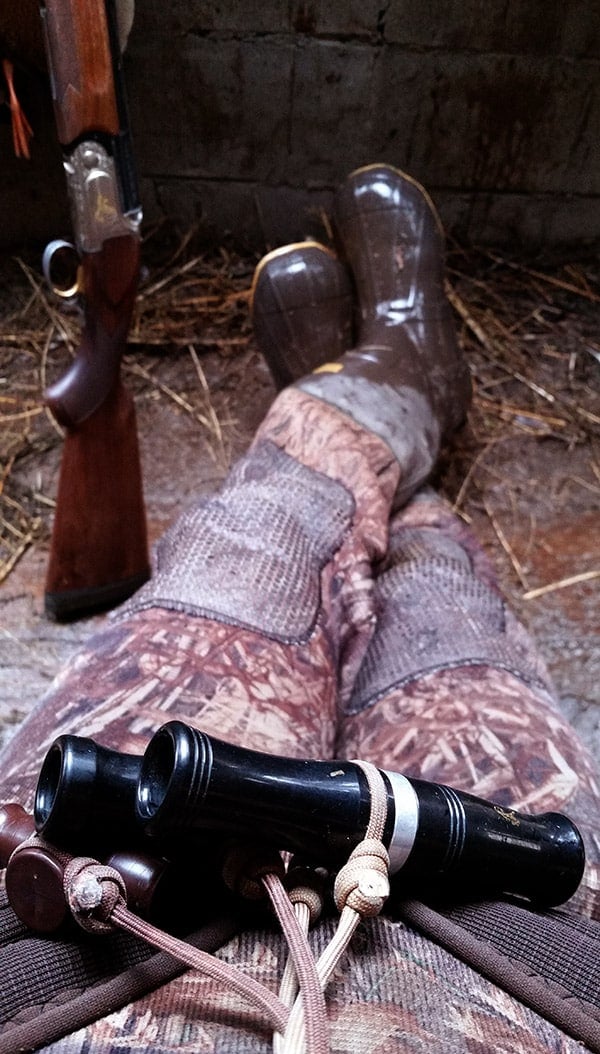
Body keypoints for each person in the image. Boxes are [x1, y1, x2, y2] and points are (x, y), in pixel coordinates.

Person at [1, 163, 600, 1054]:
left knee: (254, 538)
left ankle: (360, 398)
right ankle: (392, 392)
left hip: (77, 932)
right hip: (520, 959)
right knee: (436, 605)